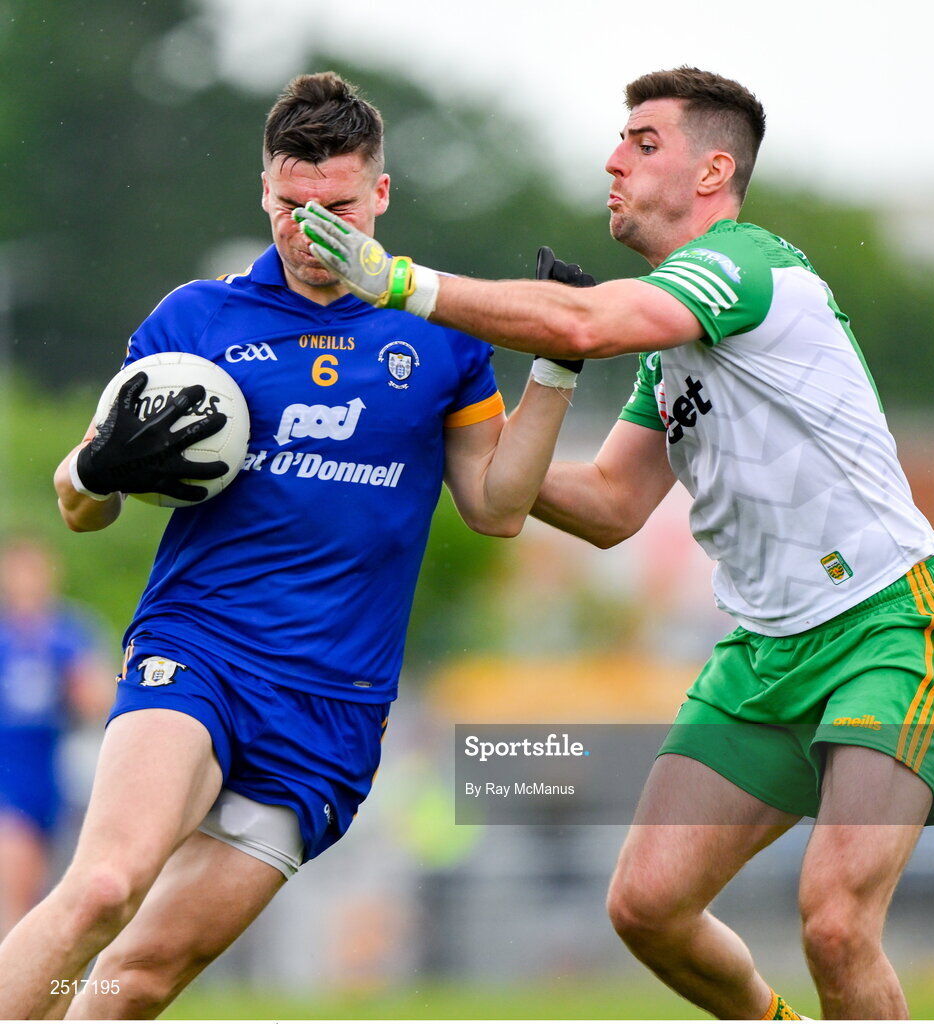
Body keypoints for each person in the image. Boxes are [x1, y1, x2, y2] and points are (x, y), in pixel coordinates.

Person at [296, 66, 934, 1020]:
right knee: (647, 907)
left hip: (889, 630)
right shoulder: (672, 347)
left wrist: (400, 283)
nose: (613, 159)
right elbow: (612, 504)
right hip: (762, 654)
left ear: (711, 171)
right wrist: (463, 447)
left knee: (832, 921)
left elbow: (587, 320)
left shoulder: (744, 264)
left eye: (642, 141)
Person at [0, 72, 578, 1019]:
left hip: (333, 711)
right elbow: (80, 503)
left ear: (380, 195)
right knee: (103, 890)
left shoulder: (439, 337)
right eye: (290, 207)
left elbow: (496, 507)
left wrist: (556, 366)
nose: (313, 233)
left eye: (338, 208)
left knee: (136, 977)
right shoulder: (195, 322)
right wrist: (96, 467)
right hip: (201, 656)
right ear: (265, 191)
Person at [0, 536, 111, 938]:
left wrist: (81, 688)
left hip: (52, 773)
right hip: (7, 773)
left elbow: (99, 701)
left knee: (45, 892)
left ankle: (37, 983)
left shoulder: (68, 633)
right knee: (16, 880)